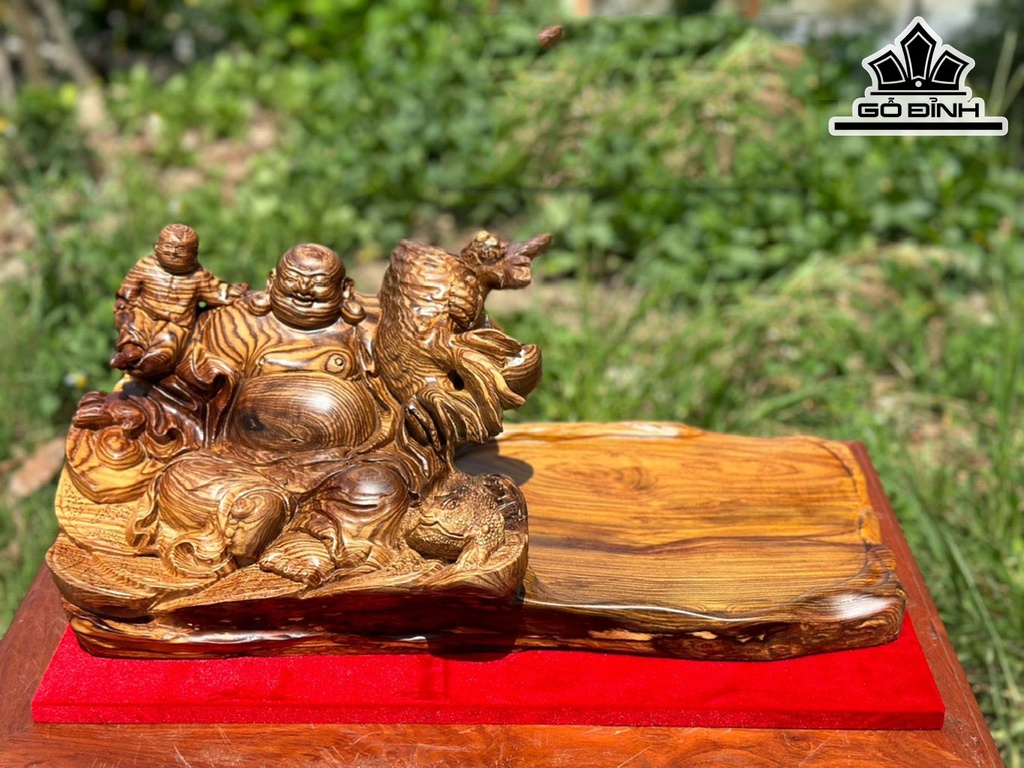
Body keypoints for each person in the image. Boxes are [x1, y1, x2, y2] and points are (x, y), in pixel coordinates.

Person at [110, 223, 246, 379]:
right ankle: (130, 351)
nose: (173, 253)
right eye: (168, 247)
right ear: (157, 246)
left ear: (194, 254)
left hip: (175, 324)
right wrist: (125, 306)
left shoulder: (198, 276)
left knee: (168, 348)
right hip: (144, 312)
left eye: (181, 250)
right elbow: (129, 290)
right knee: (132, 326)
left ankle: (146, 365)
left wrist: (231, 292)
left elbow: (215, 291)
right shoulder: (145, 266)